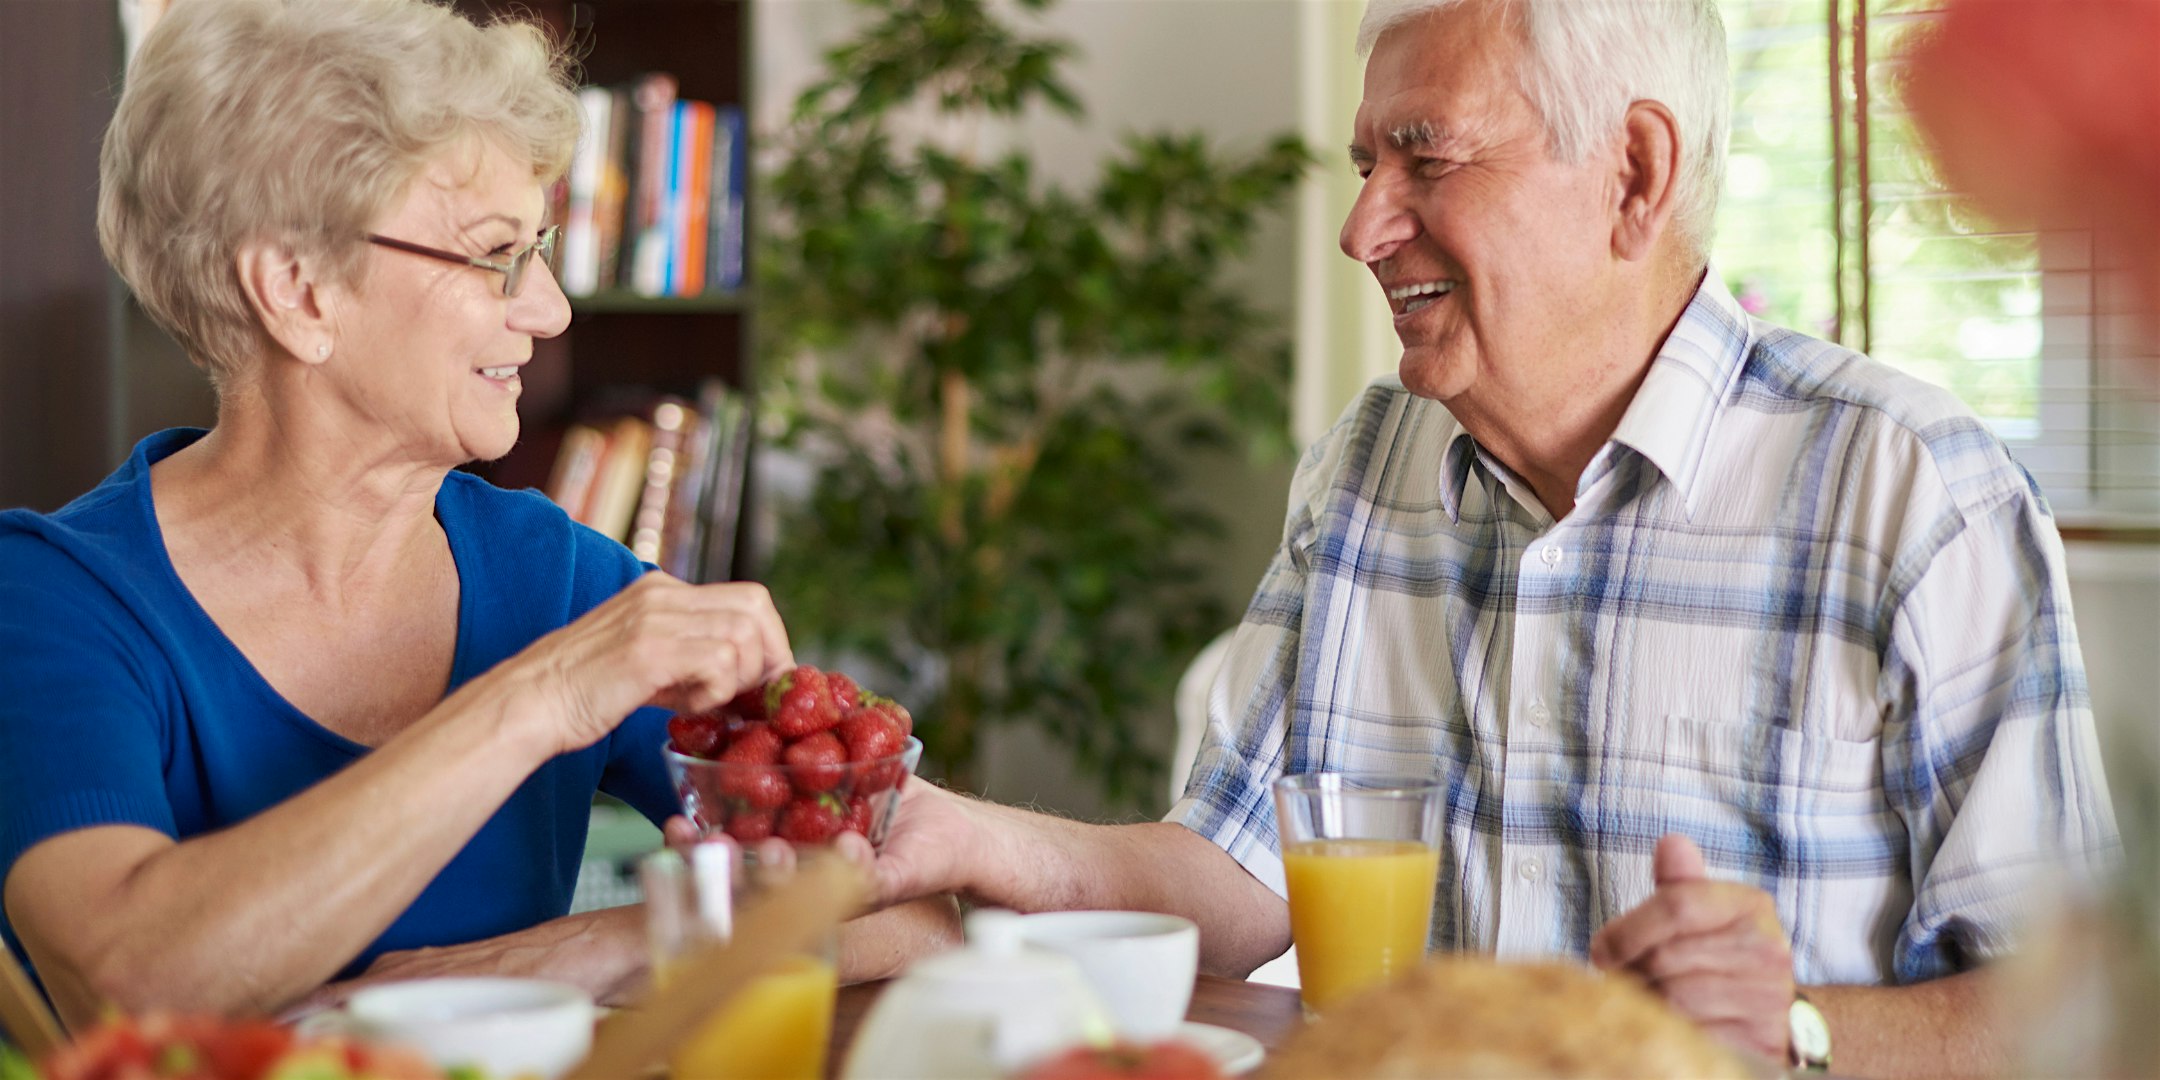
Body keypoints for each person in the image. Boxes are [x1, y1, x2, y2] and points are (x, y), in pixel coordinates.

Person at [861, 0, 2119, 1076]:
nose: (1362, 229)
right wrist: (963, 834)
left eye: (1426, 158)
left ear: (1635, 172)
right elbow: (1236, 870)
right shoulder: (1367, 465)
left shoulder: (1911, 491)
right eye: (1367, 165)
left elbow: (2077, 1016)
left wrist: (1794, 1025)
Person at [0, 0, 954, 1030]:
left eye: (540, 247)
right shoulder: (53, 599)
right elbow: (128, 984)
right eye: (499, 253)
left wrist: (584, 949)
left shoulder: (558, 577)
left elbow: (906, 900)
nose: (550, 309)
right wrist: (544, 695)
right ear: (298, 291)